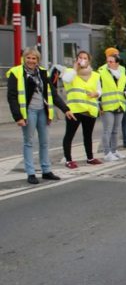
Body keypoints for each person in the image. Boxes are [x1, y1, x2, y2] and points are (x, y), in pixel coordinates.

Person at [7, 47, 75, 184]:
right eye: (29, 58)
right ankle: (31, 173)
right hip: (28, 112)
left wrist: (65, 108)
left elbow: (53, 94)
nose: (31, 61)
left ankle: (46, 170)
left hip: (42, 111)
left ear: (38, 60)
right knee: (29, 142)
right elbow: (12, 97)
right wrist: (18, 117)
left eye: (34, 58)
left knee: (44, 142)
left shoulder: (42, 72)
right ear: (24, 58)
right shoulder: (16, 73)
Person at [61, 50, 102, 168]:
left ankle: (90, 157)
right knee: (69, 135)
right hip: (75, 109)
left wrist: (97, 93)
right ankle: (68, 160)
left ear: (89, 61)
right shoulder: (69, 72)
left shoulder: (95, 75)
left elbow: (100, 89)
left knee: (88, 135)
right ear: (77, 59)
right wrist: (75, 68)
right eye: (80, 57)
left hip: (90, 109)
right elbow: (67, 80)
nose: (82, 60)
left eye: (85, 58)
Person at [103, 47, 126, 149]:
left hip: (122, 100)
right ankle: (109, 148)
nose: (117, 56)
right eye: (115, 54)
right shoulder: (103, 70)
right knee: (110, 127)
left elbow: (124, 85)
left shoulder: (121, 69)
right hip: (110, 102)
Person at [98, 53, 126, 161]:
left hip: (119, 104)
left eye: (111, 61)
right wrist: (99, 105)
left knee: (116, 130)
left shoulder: (122, 70)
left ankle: (114, 151)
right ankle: (107, 153)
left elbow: (124, 86)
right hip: (107, 105)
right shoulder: (101, 71)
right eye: (108, 61)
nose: (108, 63)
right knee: (107, 130)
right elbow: (98, 89)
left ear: (117, 63)